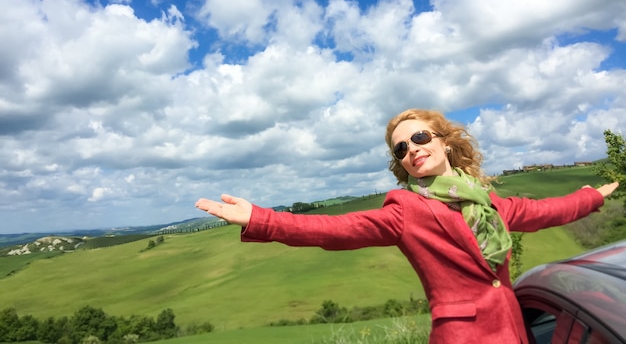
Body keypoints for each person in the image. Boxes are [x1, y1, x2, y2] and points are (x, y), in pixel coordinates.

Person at [195, 108, 620, 344]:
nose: (412, 149)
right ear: (400, 163)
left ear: (444, 141)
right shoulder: (405, 211)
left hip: (513, 327)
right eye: (401, 148)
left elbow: (543, 211)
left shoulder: (487, 202)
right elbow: (334, 230)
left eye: (419, 138)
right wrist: (261, 219)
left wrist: (591, 197)